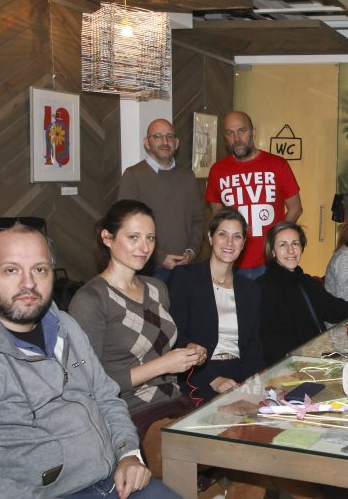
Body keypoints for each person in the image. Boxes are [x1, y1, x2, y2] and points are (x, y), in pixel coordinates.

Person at [0, 217, 178, 498]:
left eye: (39, 269)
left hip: (113, 478)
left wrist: (128, 454)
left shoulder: (66, 327)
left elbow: (107, 398)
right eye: (11, 270)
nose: (28, 283)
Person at [68, 201, 206, 468]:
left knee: (243, 451)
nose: (144, 247)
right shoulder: (91, 299)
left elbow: (158, 348)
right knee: (204, 458)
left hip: (175, 403)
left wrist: (189, 353)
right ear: (107, 238)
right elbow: (88, 383)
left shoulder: (157, 289)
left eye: (150, 238)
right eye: (133, 237)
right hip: (130, 415)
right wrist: (163, 365)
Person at [169, 208, 264, 403]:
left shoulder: (250, 289)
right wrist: (212, 379)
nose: (230, 242)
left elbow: (254, 346)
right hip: (198, 374)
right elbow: (176, 336)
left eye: (237, 236)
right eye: (223, 234)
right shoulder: (185, 278)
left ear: (243, 244)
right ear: (210, 237)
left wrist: (254, 383)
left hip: (240, 374)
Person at [258, 222, 348, 366]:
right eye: (283, 245)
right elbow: (270, 341)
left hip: (315, 356)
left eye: (295, 243)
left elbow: (334, 307)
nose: (291, 250)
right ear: (272, 251)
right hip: (289, 365)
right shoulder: (263, 287)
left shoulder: (305, 281)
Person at [205, 111, 302, 279]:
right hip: (232, 261)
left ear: (253, 132)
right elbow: (217, 217)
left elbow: (296, 208)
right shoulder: (217, 171)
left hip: (270, 261)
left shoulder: (278, 164)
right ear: (225, 138)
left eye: (242, 130)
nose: (236, 138)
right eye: (230, 133)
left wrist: (277, 243)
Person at [119, 118, 203, 283]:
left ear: (176, 143)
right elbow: (126, 225)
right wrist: (159, 257)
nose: (165, 142)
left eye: (169, 137)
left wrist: (192, 251)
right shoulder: (133, 176)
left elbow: (197, 220)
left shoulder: (188, 176)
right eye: (157, 136)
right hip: (149, 269)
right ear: (147, 143)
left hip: (186, 267)